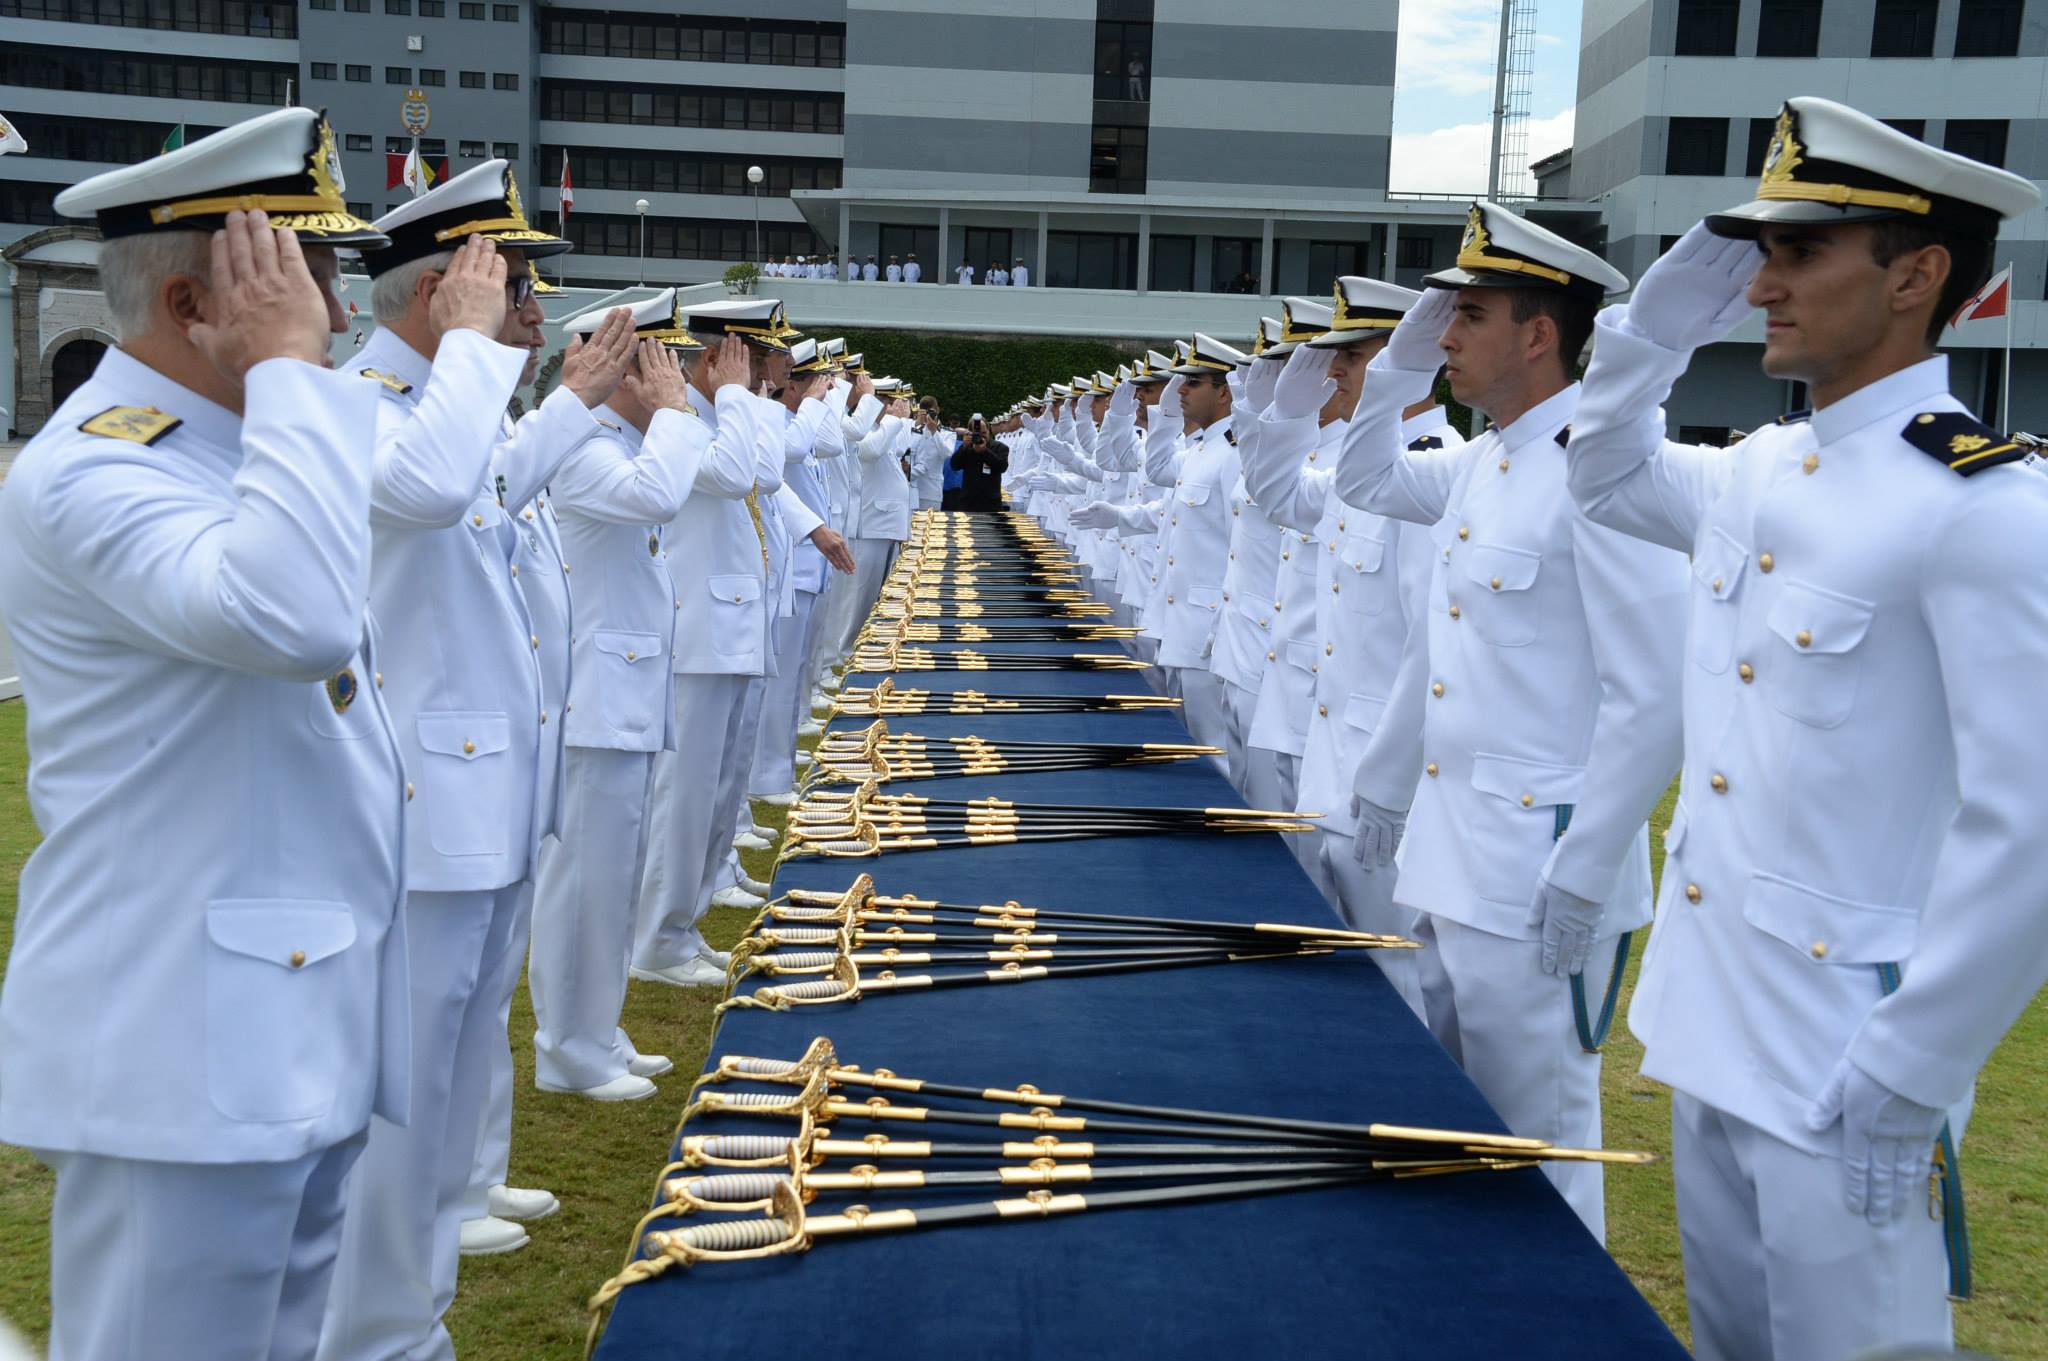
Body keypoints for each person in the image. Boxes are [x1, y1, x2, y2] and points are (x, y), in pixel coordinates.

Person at [1564, 97, 2047, 1361]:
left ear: (1915, 275)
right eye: (1757, 253)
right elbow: (1603, 469)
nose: (1763, 284)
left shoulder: (1979, 506)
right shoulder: (1759, 471)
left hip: (1845, 1055)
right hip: (1711, 1018)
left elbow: (2029, 820)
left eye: (1798, 253)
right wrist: (1655, 323)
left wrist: (1915, 1064)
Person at [0, 110, 405, 1361]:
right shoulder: (93, 470)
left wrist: (280, 381)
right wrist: (285, 371)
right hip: (184, 1039)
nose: (331, 315)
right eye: (302, 279)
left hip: (284, 1008)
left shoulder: (225, 447)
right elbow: (295, 620)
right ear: (193, 300)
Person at [1334, 201, 1688, 1241]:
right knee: (1451, 1132)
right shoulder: (1485, 461)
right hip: (1452, 855)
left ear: (1537, 333)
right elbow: (1364, 481)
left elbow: (1652, 689)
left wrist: (1583, 868)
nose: (1443, 334)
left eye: (1467, 315)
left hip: (1536, 873)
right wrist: (1394, 377)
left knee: (1536, 1152)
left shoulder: (1600, 473)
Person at [1239, 278, 1460, 1017]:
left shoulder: (1434, 471)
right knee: (1342, 988)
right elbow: (1275, 494)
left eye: (1352, 356)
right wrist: (1290, 408)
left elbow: (1430, 654)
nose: (1332, 370)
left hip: (1382, 787)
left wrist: (1387, 790)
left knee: (1399, 994)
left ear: (1411, 359)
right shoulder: (1357, 472)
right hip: (1329, 769)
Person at [527, 291, 705, 1114]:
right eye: (656, 362)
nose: (673, 377)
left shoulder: (625, 440)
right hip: (593, 700)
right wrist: (675, 414)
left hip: (622, 692)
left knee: (616, 873)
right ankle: (568, 1045)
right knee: (584, 884)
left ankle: (598, 1030)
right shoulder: (587, 448)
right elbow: (657, 497)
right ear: (619, 370)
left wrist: (664, 416)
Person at [631, 299, 783, 989]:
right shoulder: (684, 417)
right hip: (697, 632)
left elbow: (759, 469)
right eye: (748, 356)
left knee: (715, 789)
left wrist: (739, 399)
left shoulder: (719, 414)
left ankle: (683, 924)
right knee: (683, 797)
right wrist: (736, 395)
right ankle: (658, 938)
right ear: (721, 352)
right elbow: (739, 475)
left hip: (728, 627)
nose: (757, 369)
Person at [950, 414, 1009, 510]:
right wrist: (964, 446)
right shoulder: (967, 447)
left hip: (991, 503)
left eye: (984, 433)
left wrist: (985, 451)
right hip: (968, 503)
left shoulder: (999, 447)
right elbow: (954, 465)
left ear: (989, 431)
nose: (981, 436)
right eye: (977, 433)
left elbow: (1002, 467)